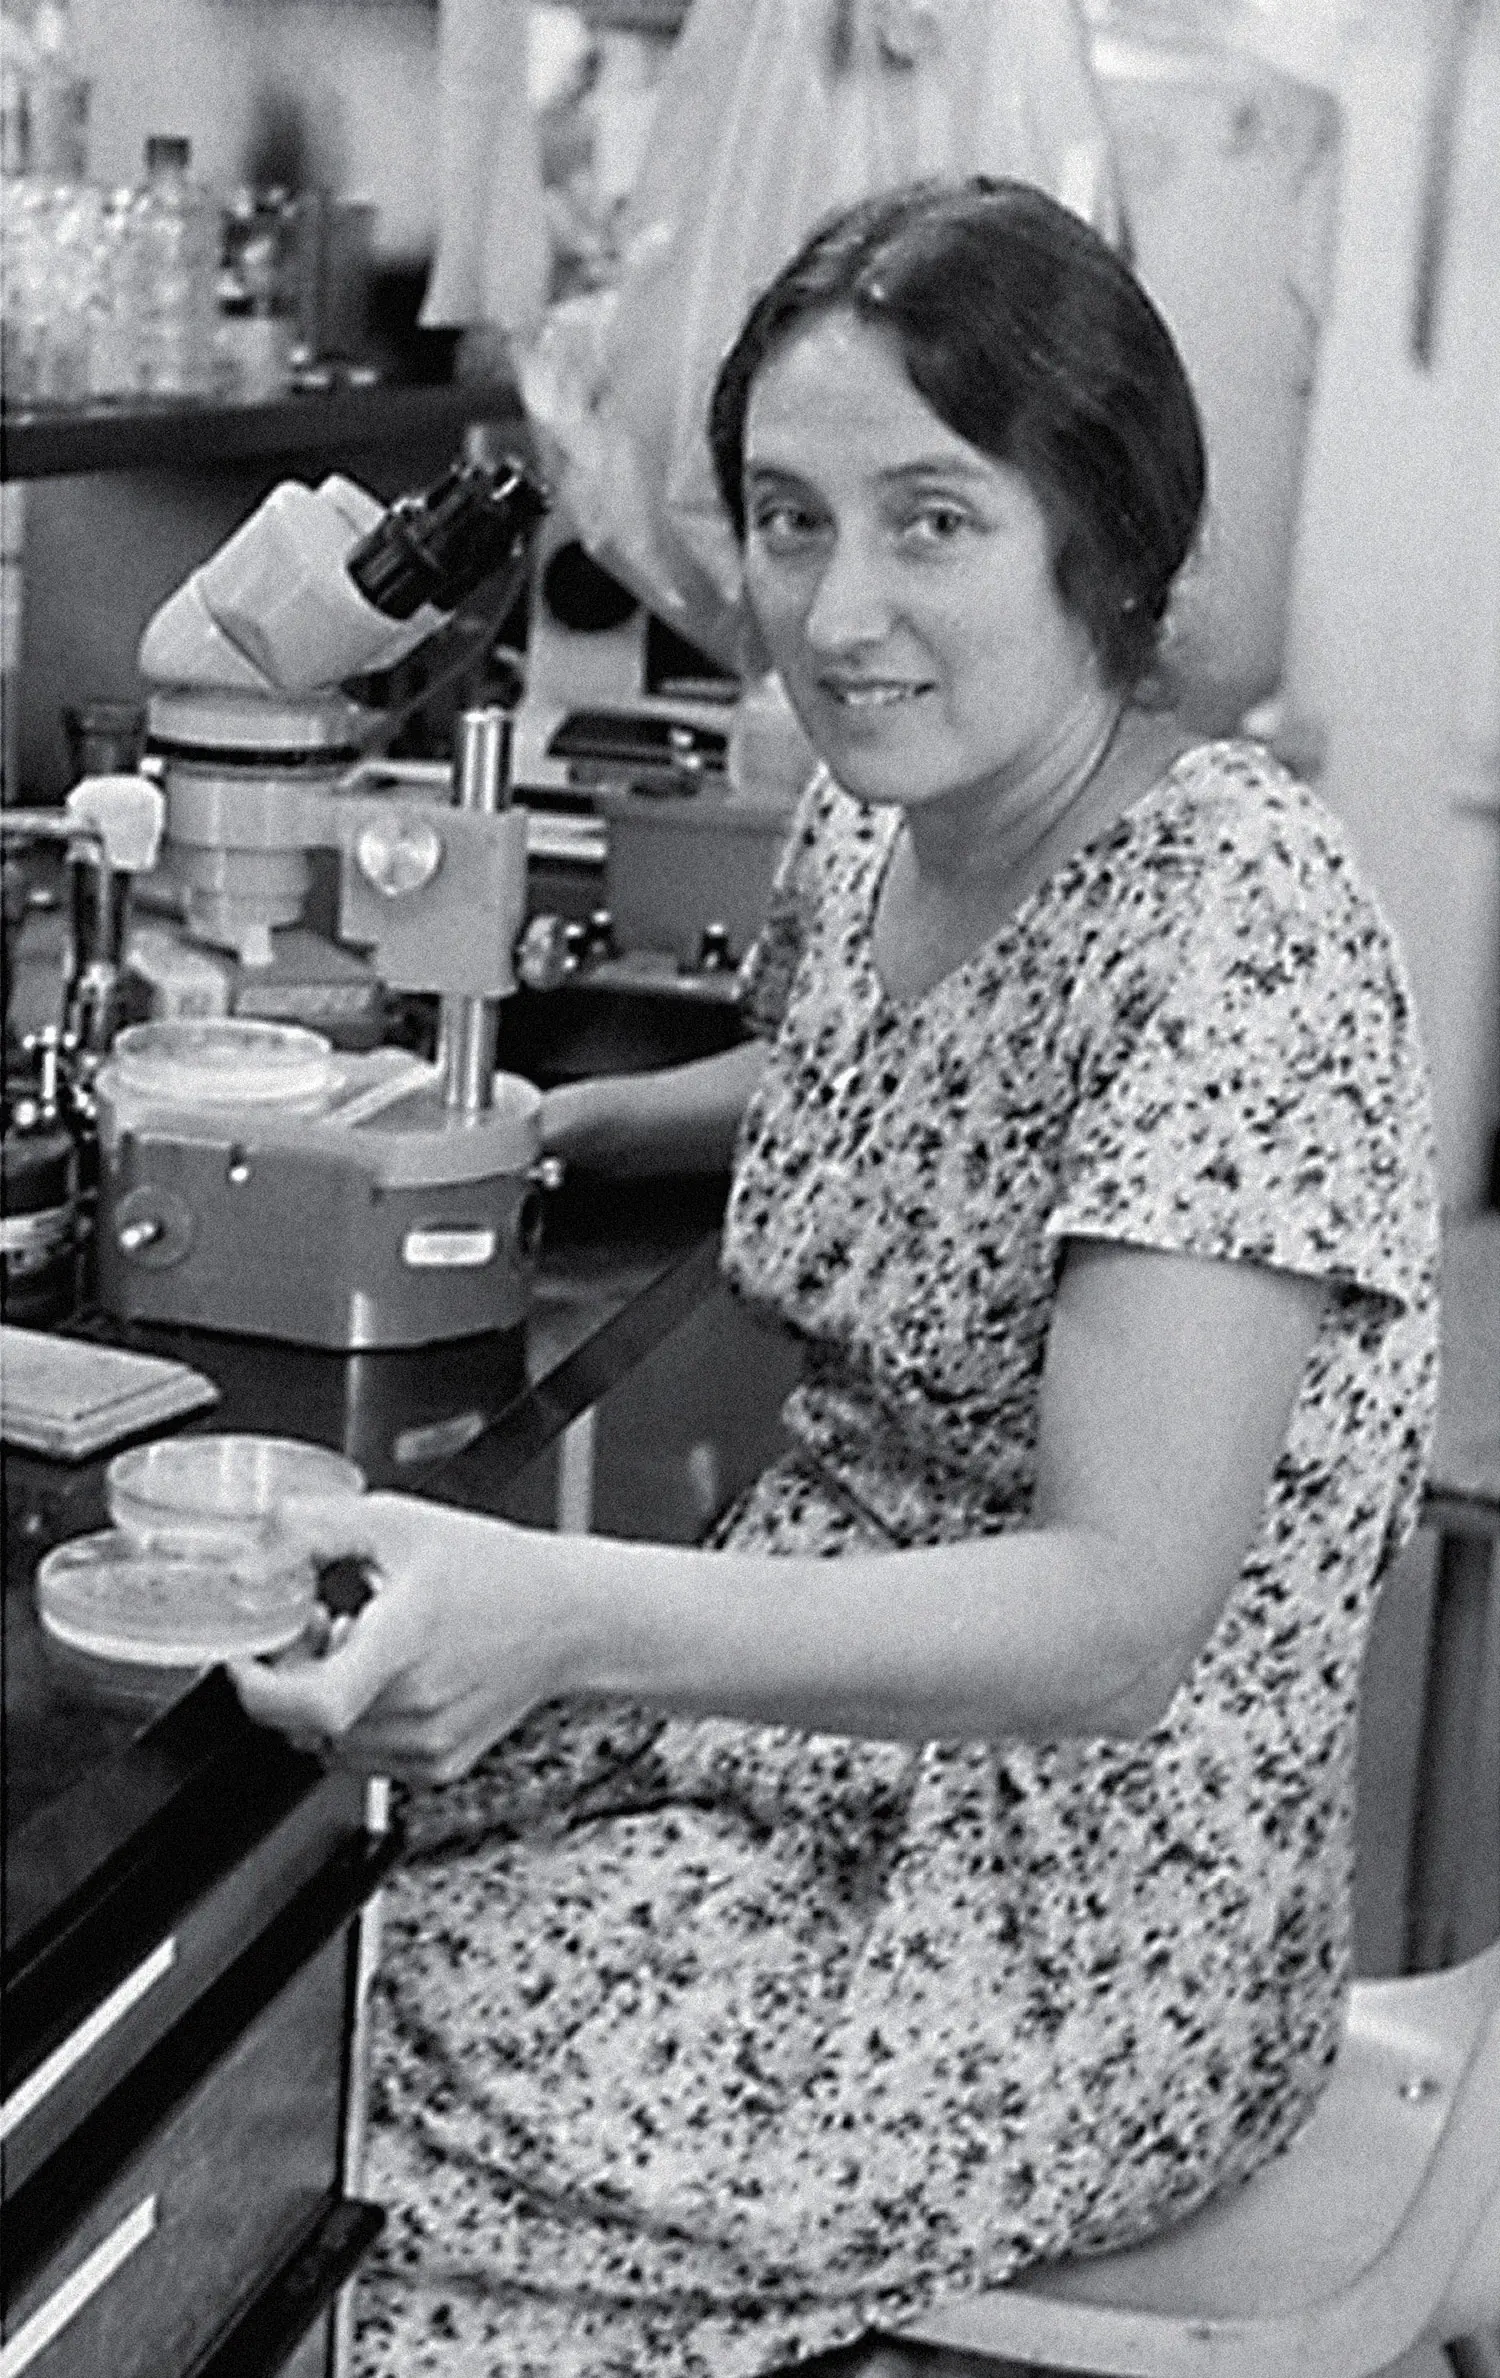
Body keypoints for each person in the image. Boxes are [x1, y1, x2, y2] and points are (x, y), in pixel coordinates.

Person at [232, 179, 1439, 2378]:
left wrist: (561, 1613)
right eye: (789, 520)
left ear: (1103, 531)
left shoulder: (1238, 916)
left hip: (1072, 1905)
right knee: (264, 1929)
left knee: (280, 2117)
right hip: (794, 1737)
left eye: (930, 521)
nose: (838, 606)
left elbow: (1114, 1613)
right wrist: (578, 1125)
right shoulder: (884, 823)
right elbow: (851, 1052)